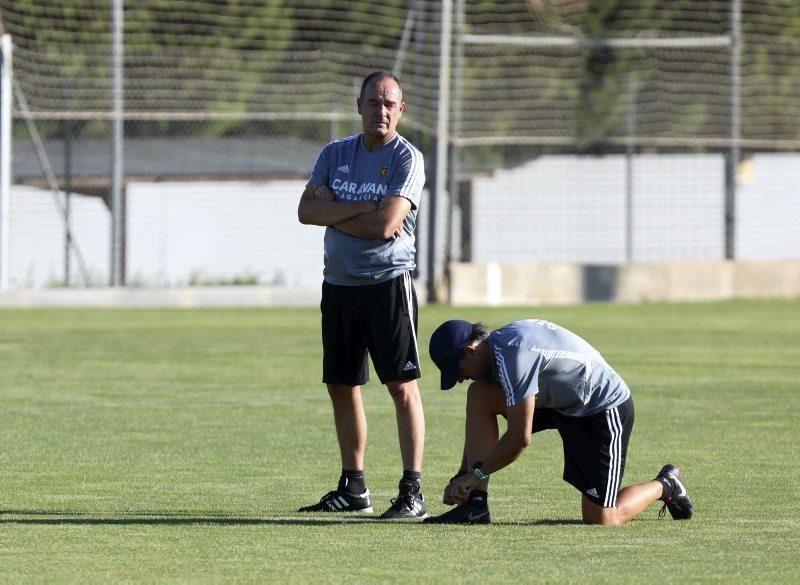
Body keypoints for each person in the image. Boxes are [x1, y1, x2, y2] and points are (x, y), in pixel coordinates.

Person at [296, 71, 427, 519]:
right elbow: (305, 210)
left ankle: (412, 491)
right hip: (339, 285)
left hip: (388, 284)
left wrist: (335, 211)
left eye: (390, 104)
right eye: (374, 102)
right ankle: (354, 487)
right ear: (359, 105)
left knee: (401, 386)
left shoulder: (408, 159)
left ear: (401, 109)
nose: (382, 111)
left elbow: (386, 226)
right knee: (341, 385)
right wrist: (361, 208)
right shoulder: (335, 153)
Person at [423, 318, 694, 525]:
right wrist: (464, 474)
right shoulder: (497, 350)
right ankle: (475, 506)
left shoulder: (514, 356)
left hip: (599, 409)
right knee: (480, 394)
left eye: (457, 370)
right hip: (557, 401)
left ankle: (665, 485)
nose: (459, 378)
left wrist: (474, 475)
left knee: (601, 518)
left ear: (471, 350)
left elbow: (519, 438)